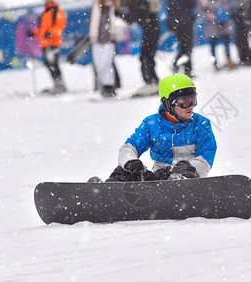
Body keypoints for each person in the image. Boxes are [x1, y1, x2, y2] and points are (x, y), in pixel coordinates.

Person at [89, 73, 217, 183]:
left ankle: (180, 181)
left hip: (189, 178)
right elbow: (129, 147)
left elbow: (206, 156)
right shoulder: (152, 124)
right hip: (160, 179)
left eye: (193, 100)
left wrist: (188, 169)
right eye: (184, 102)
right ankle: (108, 191)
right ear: (167, 103)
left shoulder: (201, 124)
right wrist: (130, 162)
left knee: (183, 169)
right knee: (125, 170)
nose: (190, 106)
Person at [115, 0, 161, 97]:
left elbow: (131, 18)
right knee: (147, 56)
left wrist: (117, 13)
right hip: (151, 29)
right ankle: (152, 82)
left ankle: (151, 83)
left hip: (151, 30)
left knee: (146, 57)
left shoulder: (134, 2)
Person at [28, 0, 67, 94]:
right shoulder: (46, 13)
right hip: (45, 43)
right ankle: (57, 85)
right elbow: (43, 30)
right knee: (49, 64)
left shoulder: (57, 12)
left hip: (53, 43)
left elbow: (59, 28)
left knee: (53, 64)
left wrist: (51, 33)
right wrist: (34, 34)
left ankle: (60, 85)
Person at [89, 0, 121, 97]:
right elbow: (94, 22)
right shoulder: (97, 5)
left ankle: (109, 86)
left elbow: (119, 22)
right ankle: (104, 85)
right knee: (98, 64)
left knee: (106, 63)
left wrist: (117, 34)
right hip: (97, 38)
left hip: (110, 39)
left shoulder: (115, 6)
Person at [197, 0, 236, 71]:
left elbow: (229, 8)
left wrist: (224, 9)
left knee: (227, 45)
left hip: (223, 25)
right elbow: (200, 12)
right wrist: (208, 15)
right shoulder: (204, 1)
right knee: (213, 47)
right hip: (211, 27)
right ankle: (215, 64)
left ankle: (229, 61)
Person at [167, 0, 196, 77]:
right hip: (184, 23)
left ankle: (183, 68)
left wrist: (170, 24)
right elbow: (193, 4)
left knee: (185, 47)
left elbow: (170, 10)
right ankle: (183, 68)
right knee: (187, 47)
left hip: (180, 23)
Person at [231, 0, 251, 66]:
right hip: (237, 24)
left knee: (243, 41)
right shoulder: (235, 2)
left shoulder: (245, 2)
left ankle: (247, 59)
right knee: (238, 42)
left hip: (244, 24)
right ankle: (242, 59)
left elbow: (246, 12)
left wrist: (237, 14)